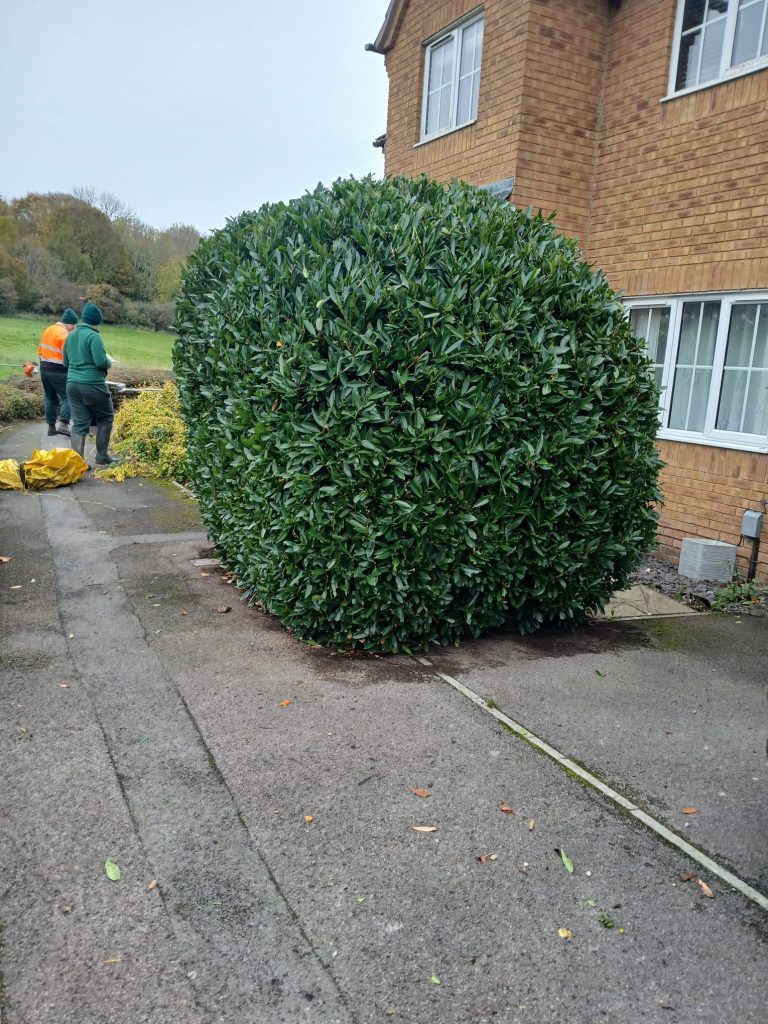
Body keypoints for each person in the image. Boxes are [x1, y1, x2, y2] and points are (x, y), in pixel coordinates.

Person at [63, 303, 121, 467]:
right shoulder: (94, 336)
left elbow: (65, 362)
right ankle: (101, 456)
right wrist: (108, 362)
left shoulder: (70, 336)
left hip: (72, 385)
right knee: (106, 417)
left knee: (79, 423)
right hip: (92, 384)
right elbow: (101, 361)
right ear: (97, 321)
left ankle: (77, 464)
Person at [38, 308, 78, 436]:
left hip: (44, 368)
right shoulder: (65, 334)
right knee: (68, 396)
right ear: (70, 323)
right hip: (59, 370)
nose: (74, 328)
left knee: (50, 397)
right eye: (74, 325)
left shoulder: (48, 329)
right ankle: (64, 425)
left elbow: (40, 350)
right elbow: (69, 355)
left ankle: (51, 427)